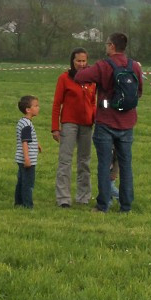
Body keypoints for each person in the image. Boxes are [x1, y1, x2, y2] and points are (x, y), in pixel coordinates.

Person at [74, 32, 142, 213]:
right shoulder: (134, 66)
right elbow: (139, 92)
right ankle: (126, 206)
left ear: (112, 46)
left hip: (106, 121)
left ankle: (103, 205)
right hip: (127, 122)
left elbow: (79, 78)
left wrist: (86, 69)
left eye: (107, 44)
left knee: (104, 165)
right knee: (126, 165)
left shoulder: (104, 66)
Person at [51, 47, 97, 208]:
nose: (81, 64)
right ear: (72, 61)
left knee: (84, 161)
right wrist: (55, 127)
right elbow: (57, 103)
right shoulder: (64, 79)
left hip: (87, 125)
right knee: (65, 161)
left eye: (84, 61)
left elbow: (93, 101)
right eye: (78, 61)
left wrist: (94, 117)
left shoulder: (91, 80)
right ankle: (63, 198)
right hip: (69, 123)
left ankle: (83, 196)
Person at [15, 95, 41, 209]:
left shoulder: (23, 122)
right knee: (28, 184)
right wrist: (27, 158)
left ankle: (18, 202)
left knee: (21, 181)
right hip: (27, 160)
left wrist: (37, 144)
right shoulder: (27, 124)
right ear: (28, 110)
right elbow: (25, 141)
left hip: (20, 158)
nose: (38, 108)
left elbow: (29, 138)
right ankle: (27, 205)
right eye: (36, 106)